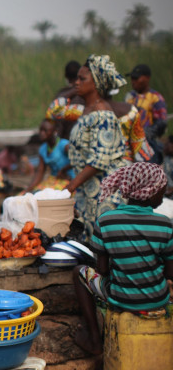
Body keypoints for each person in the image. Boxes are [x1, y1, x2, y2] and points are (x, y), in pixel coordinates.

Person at [72, 162, 173, 355]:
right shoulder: (165, 224)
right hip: (158, 299)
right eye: (162, 189)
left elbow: (102, 269)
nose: (165, 192)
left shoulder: (106, 220)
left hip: (118, 297)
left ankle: (94, 338)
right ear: (150, 192)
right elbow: (170, 273)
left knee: (79, 272)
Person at [52, 54, 129, 239]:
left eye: (82, 79)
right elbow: (54, 110)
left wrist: (70, 186)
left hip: (105, 191)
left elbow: (99, 160)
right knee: (91, 243)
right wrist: (74, 90)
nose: (76, 82)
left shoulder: (103, 114)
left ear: (96, 83)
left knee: (104, 244)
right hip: (89, 189)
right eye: (76, 78)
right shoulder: (84, 110)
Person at [125, 64, 168, 163]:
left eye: (136, 78)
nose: (133, 82)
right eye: (132, 79)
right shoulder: (129, 97)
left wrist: (145, 133)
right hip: (129, 143)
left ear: (147, 78)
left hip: (148, 143)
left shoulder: (155, 97)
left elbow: (162, 122)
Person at [22, 119, 73, 193]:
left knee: (52, 195)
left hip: (68, 179)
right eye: (41, 130)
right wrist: (29, 188)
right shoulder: (43, 149)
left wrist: (64, 170)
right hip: (54, 179)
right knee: (35, 193)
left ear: (54, 132)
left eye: (45, 131)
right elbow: (40, 172)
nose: (42, 133)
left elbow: (77, 159)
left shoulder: (64, 145)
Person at [54, 60, 84, 141]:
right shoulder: (85, 93)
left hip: (65, 141)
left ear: (66, 76)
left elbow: (54, 116)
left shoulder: (62, 94)